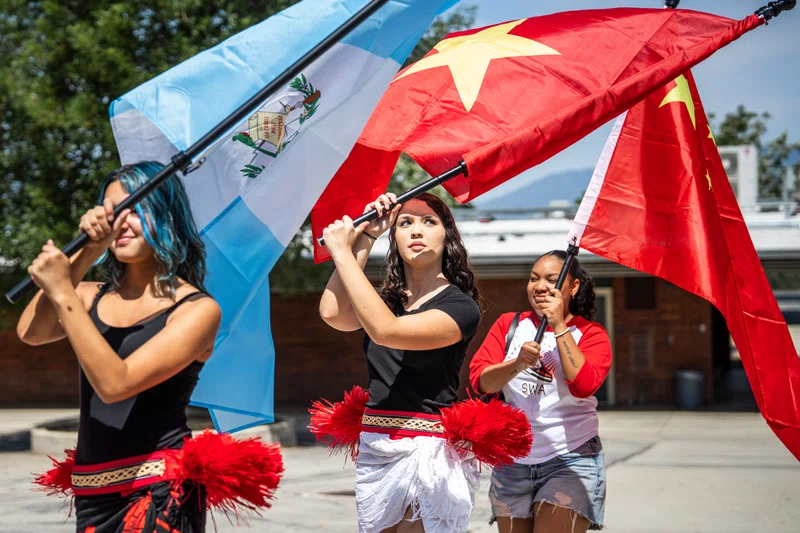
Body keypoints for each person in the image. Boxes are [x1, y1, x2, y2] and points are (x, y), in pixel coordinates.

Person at [17, 161, 222, 533]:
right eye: (113, 212)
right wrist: (85, 253)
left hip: (159, 493)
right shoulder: (87, 295)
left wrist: (61, 287)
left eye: (137, 210)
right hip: (91, 495)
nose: (122, 222)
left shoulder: (197, 310)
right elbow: (32, 332)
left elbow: (115, 385)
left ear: (167, 216)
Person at [319, 192, 482, 533]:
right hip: (376, 443)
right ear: (394, 238)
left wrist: (340, 251)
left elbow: (386, 331)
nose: (416, 231)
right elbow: (334, 313)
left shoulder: (460, 306)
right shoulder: (385, 301)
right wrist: (365, 236)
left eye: (429, 222)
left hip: (427, 449)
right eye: (405, 223)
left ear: (447, 236)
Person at [469, 251, 612, 533]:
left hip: (571, 459)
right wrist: (517, 363)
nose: (540, 286)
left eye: (551, 279)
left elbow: (584, 385)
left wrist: (559, 325)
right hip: (513, 463)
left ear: (572, 288)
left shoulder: (591, 334)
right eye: (534, 279)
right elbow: (480, 382)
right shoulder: (509, 325)